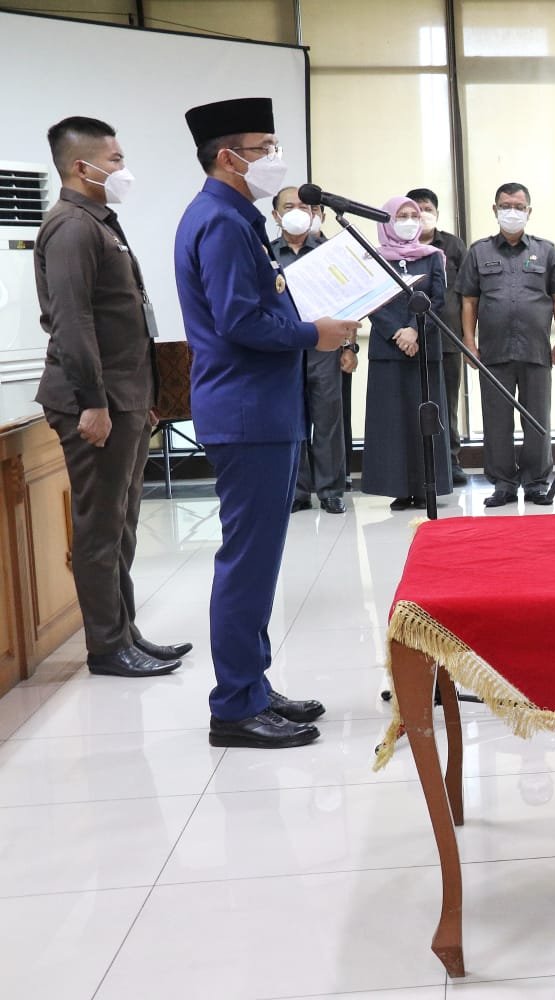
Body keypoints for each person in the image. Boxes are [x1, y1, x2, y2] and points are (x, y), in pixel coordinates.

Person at [174, 97, 357, 749]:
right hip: (247, 412)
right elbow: (240, 321)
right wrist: (317, 333)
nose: (275, 159)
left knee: (260, 561)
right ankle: (235, 705)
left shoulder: (233, 215)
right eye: (264, 146)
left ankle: (252, 683)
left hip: (263, 409)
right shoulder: (220, 221)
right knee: (247, 563)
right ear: (229, 157)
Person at [34, 116, 190, 679]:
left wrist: (142, 394)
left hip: (124, 395)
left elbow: (122, 319)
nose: (124, 169)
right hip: (94, 401)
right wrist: (94, 402)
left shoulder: (99, 222)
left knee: (122, 522)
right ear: (83, 166)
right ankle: (106, 646)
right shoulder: (73, 227)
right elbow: (72, 324)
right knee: (100, 527)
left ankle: (124, 631)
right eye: (116, 159)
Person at [458, 182, 555, 507]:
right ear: (495, 210)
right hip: (492, 353)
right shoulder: (478, 251)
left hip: (536, 350)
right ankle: (504, 484)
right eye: (505, 205)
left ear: (529, 211)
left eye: (518, 206)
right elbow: (469, 301)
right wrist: (469, 340)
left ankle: (536, 482)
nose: (512, 211)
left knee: (537, 418)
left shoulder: (546, 250)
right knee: (497, 421)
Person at [361, 196, 451, 510]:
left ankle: (429, 486)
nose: (411, 219)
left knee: (424, 418)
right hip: (388, 349)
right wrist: (396, 332)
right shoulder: (372, 258)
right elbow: (370, 301)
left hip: (424, 345)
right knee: (394, 422)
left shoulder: (432, 257)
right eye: (402, 215)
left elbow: (438, 298)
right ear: (387, 220)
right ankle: (399, 487)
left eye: (414, 214)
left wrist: (414, 328)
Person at [270, 185, 355, 515]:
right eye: (289, 206)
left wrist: (349, 348)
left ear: (315, 213)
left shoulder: (329, 251)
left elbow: (348, 302)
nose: (297, 212)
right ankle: (298, 489)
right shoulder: (265, 252)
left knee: (328, 419)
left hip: (326, 347)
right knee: (292, 420)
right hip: (283, 348)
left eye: (304, 206)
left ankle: (332, 489)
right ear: (276, 215)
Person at [407, 187, 470, 486]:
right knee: (415, 401)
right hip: (409, 341)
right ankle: (418, 464)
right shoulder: (400, 247)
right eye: (415, 209)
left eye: (427, 209)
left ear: (437, 213)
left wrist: (469, 338)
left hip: (446, 338)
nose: (422, 214)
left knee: (447, 402)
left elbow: (469, 293)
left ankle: (451, 459)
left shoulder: (453, 245)